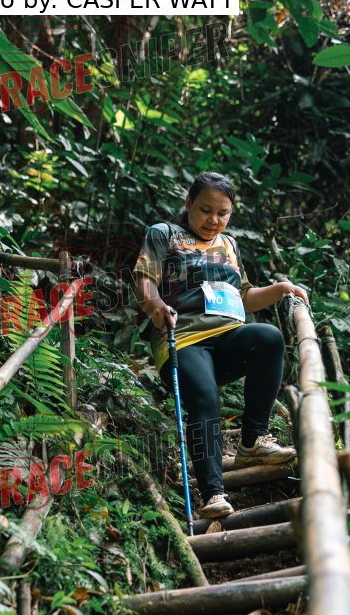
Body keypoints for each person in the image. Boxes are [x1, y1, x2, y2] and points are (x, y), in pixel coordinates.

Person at [132, 171, 309, 519]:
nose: (213, 220)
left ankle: (252, 442)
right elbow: (144, 279)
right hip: (184, 338)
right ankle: (212, 492)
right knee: (205, 398)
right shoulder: (164, 234)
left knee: (269, 337)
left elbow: (244, 296)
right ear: (188, 203)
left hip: (229, 335)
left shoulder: (228, 244)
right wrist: (156, 307)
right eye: (205, 210)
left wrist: (282, 289)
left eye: (222, 213)